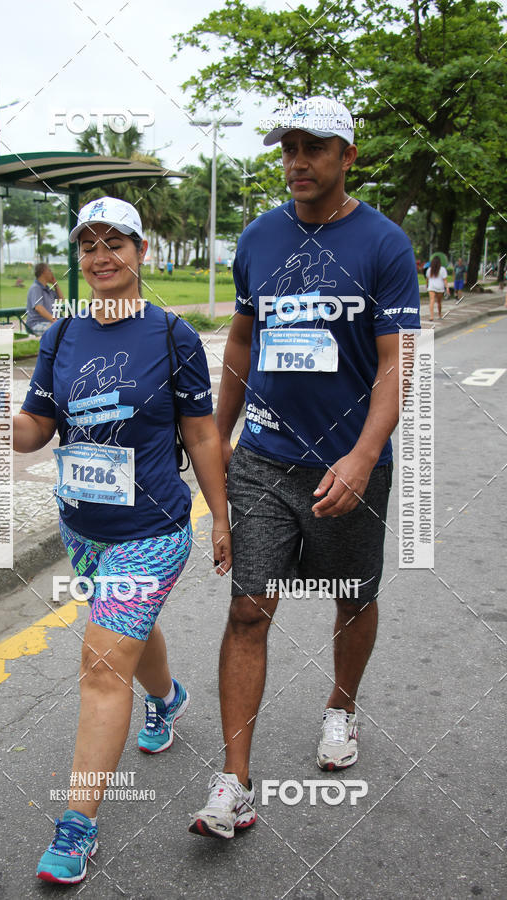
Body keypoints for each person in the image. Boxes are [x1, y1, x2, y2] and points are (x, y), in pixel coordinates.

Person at [0, 196, 232, 882]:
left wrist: (223, 516)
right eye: (89, 245)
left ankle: (77, 825)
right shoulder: (61, 335)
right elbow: (38, 426)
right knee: (127, 633)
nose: (102, 255)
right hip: (81, 526)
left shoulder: (172, 335)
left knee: (103, 660)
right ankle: (169, 698)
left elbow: (202, 433)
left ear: (142, 252)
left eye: (116, 242)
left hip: (152, 528)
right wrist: (1, 422)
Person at [189, 95, 420, 839]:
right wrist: (216, 446)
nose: (297, 161)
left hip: (347, 466)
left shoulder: (384, 245)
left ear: (348, 156)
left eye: (315, 147)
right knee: (248, 608)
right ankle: (234, 783)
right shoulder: (259, 238)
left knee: (350, 595)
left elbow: (395, 366)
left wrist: (362, 455)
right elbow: (241, 349)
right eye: (288, 146)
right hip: (263, 458)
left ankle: (341, 708)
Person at [26, 263, 64, 334]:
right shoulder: (36, 288)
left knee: (67, 328)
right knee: (59, 331)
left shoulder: (47, 288)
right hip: (37, 324)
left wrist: (55, 284)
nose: (51, 273)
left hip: (49, 323)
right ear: (44, 272)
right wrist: (55, 321)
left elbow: (61, 299)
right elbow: (39, 308)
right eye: (49, 270)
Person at [427, 255, 448, 321]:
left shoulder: (429, 269)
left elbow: (427, 279)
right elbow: (445, 280)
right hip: (440, 287)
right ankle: (439, 315)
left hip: (431, 287)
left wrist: (427, 285)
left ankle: (431, 316)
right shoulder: (442, 269)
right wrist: (447, 288)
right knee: (439, 302)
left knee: (431, 301)